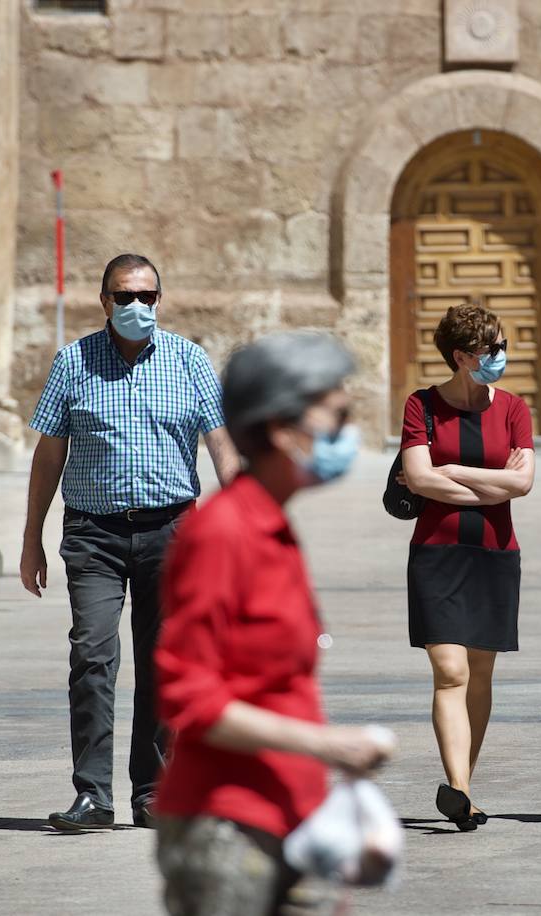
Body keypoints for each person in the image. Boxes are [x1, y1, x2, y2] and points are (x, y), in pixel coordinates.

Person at [154, 332, 393, 916]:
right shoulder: (222, 532)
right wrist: (326, 744)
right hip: (227, 825)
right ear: (283, 430)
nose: (348, 432)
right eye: (337, 416)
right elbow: (189, 697)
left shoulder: (273, 525)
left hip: (294, 812)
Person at [21, 253, 239, 831]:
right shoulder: (74, 361)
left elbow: (221, 444)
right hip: (93, 533)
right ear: (105, 301)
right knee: (92, 654)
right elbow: (49, 453)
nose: (136, 305)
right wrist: (31, 538)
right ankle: (93, 795)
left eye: (146, 296)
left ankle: (153, 792)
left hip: (173, 531)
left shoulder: (189, 360)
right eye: (124, 296)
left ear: (159, 301)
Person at [397, 304, 535, 832]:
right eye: (490, 349)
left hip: (495, 554)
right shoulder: (422, 406)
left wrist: (451, 470)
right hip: (438, 553)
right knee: (451, 671)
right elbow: (418, 478)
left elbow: (523, 483)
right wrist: (491, 487)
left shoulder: (514, 409)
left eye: (502, 346)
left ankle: (463, 789)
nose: (500, 356)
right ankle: (457, 787)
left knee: (480, 674)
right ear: (461, 356)